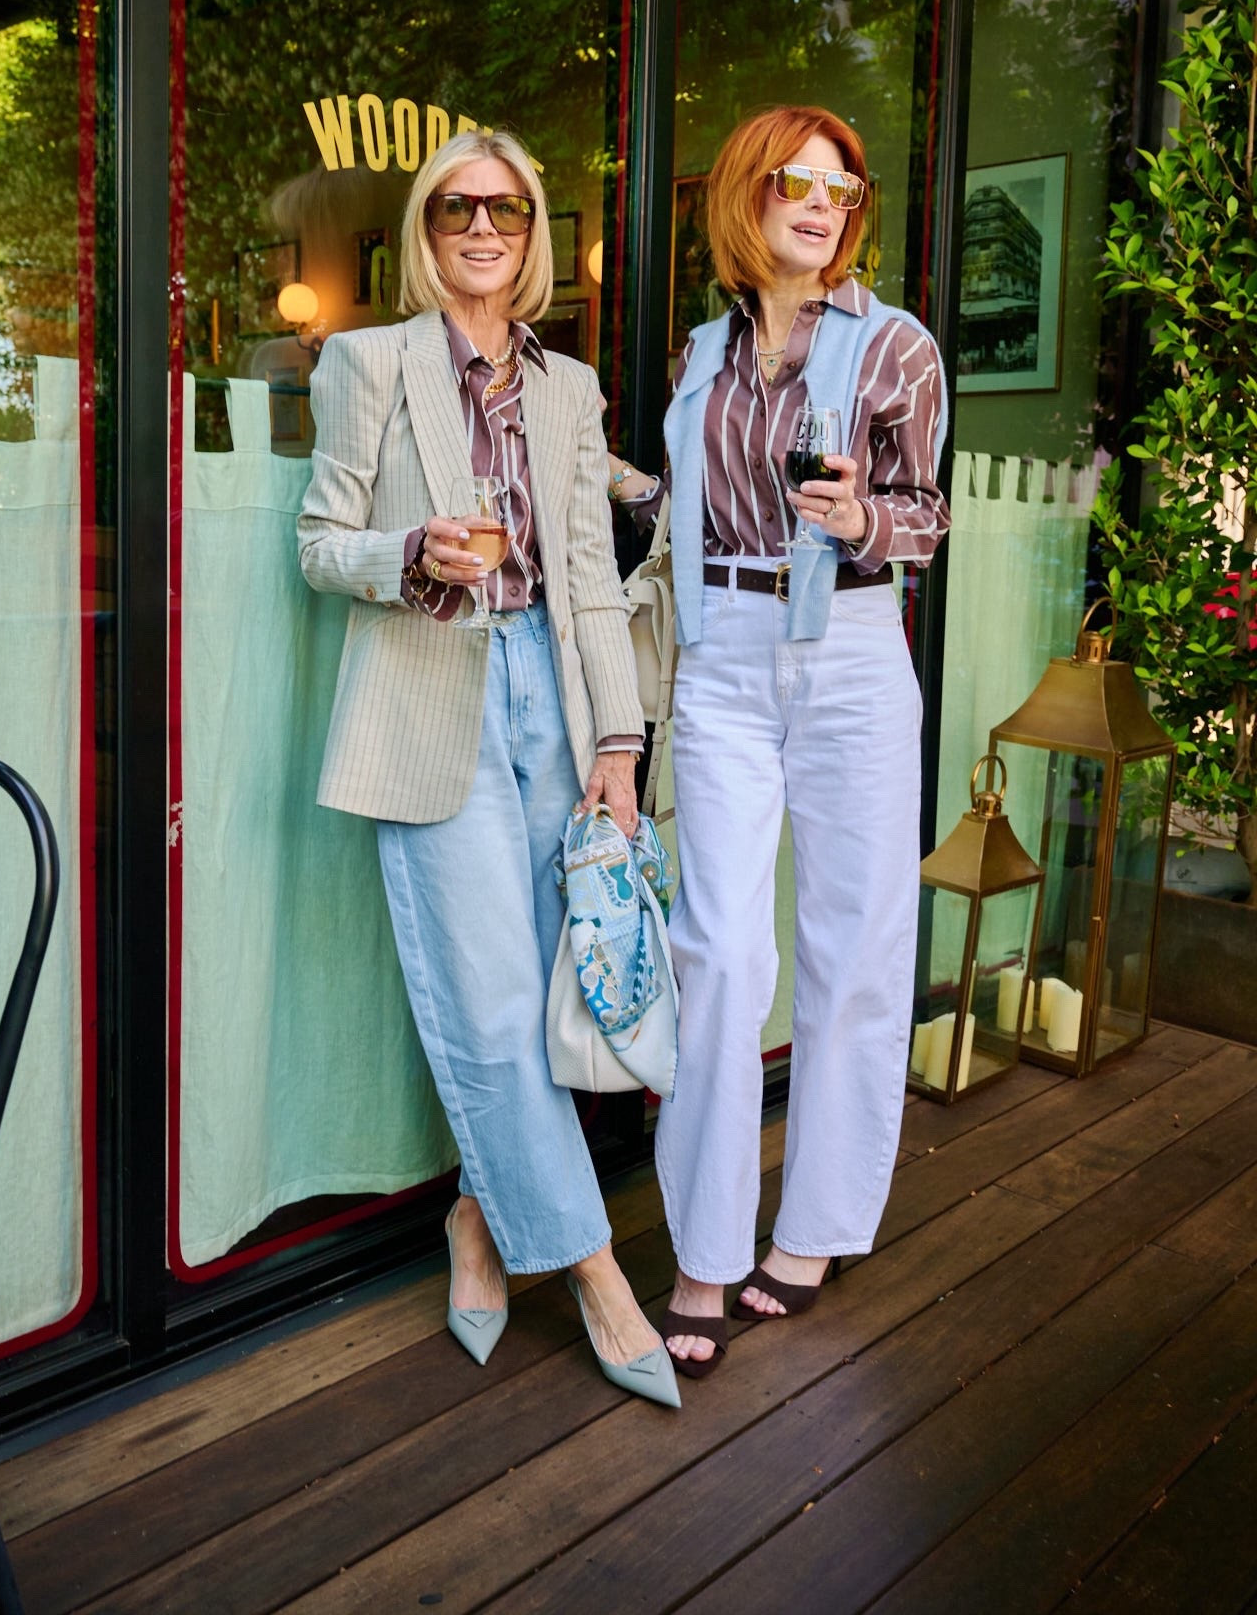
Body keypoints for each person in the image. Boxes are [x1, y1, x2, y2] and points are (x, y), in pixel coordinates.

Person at [298, 128, 680, 1408]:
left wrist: (618, 745)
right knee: (485, 995)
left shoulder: (566, 387)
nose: (480, 228)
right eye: (457, 207)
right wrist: (408, 550)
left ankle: (475, 1219)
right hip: (431, 687)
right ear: (427, 227)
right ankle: (590, 1269)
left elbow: (585, 574)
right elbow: (318, 543)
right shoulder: (366, 360)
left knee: (543, 987)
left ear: (531, 239)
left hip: (554, 701)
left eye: (506, 211)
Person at [607, 104, 950, 1377]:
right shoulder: (702, 355)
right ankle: (703, 1247)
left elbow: (925, 517)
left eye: (842, 190)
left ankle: (811, 1230)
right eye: (794, 182)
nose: (821, 204)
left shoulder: (896, 348)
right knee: (717, 948)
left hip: (850, 650)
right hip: (722, 658)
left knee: (852, 942)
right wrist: (624, 484)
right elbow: (693, 509)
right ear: (745, 199)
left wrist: (863, 512)